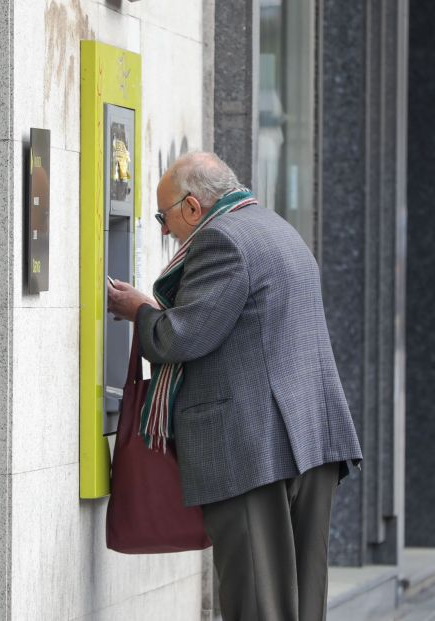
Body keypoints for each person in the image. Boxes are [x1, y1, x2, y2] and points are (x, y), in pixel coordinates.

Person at [107, 151, 362, 621]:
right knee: (302, 604)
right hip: (308, 439)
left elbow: (181, 337)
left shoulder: (221, 240)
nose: (165, 231)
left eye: (164, 217)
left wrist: (141, 311)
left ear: (191, 207)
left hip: (253, 447)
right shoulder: (275, 228)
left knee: (257, 602)